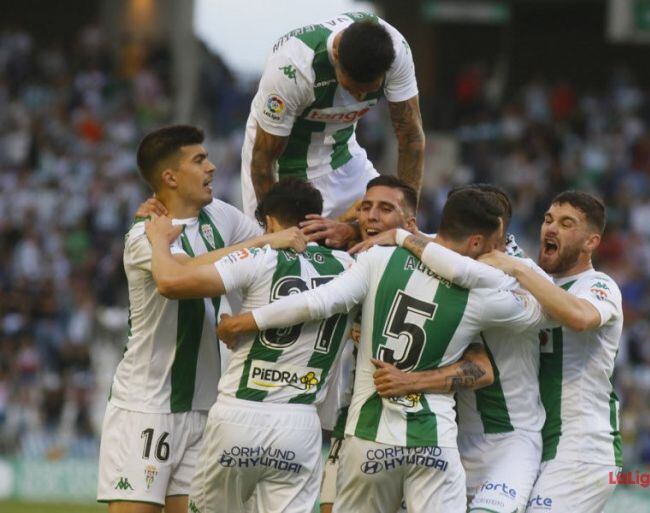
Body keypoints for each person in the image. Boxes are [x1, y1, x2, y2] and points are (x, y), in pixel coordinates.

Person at [217, 189, 548, 513]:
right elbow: (543, 312)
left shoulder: (378, 257)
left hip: (366, 439)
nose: (500, 250)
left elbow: (318, 302)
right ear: (477, 241)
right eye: (497, 242)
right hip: (433, 442)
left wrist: (246, 321)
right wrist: (515, 270)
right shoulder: (484, 291)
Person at [97, 125, 300, 513]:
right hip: (147, 404)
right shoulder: (146, 237)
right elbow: (184, 274)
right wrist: (258, 244)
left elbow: (272, 245)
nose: (211, 167)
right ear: (170, 177)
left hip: (204, 405)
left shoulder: (220, 217)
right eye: (199, 160)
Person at [143, 178, 352, 513]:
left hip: (240, 413)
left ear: (269, 223)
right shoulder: (351, 268)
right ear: (316, 218)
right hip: (301, 423)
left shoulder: (260, 257)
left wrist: (157, 241)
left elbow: (171, 281)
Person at [354, 185, 554, 512]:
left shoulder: (519, 272)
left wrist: (412, 380)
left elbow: (566, 315)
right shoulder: (441, 247)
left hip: (509, 440)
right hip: (449, 437)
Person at [314, 177, 493, 513]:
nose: (371, 217)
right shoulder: (348, 263)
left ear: (410, 225)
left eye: (385, 209)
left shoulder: (439, 276)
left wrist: (411, 381)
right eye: (365, 208)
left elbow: (481, 368)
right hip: (352, 419)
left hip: (419, 429)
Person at [461, 191, 624, 513]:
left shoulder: (597, 284)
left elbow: (580, 317)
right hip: (536, 442)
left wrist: (519, 269)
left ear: (591, 242)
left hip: (582, 446)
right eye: (548, 220)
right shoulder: (537, 285)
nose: (551, 229)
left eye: (566, 224)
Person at [242, 12, 424, 226]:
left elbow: (411, 138)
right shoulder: (292, 68)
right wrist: (272, 228)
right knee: (284, 252)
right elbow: (263, 162)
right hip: (285, 168)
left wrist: (408, 219)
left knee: (389, 227)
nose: (360, 98)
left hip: (343, 156)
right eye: (352, 89)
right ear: (336, 54)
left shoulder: (397, 52)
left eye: (370, 91)